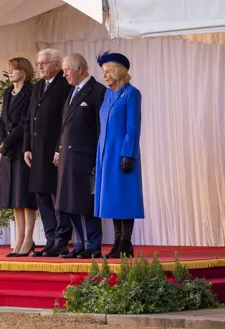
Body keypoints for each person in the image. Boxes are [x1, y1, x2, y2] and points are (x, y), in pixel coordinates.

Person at [54, 54, 107, 259]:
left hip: (86, 157)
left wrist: (98, 157)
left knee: (86, 202)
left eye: (67, 69)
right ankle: (79, 244)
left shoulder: (97, 91)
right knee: (70, 202)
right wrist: (59, 149)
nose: (64, 73)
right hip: (68, 157)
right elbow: (65, 125)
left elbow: (100, 127)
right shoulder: (72, 92)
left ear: (79, 68)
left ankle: (93, 245)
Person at [23, 48, 73, 257]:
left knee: (58, 196)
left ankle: (62, 239)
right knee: (42, 195)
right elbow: (29, 118)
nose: (40, 67)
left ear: (56, 64)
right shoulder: (37, 87)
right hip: (37, 151)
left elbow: (66, 121)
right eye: (38, 63)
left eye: (43, 63)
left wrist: (59, 148)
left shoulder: (64, 85)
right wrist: (27, 147)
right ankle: (51, 238)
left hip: (54, 151)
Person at [94, 51, 144, 259]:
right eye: (103, 72)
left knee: (125, 197)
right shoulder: (108, 95)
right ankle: (117, 242)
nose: (105, 76)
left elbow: (133, 127)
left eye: (108, 72)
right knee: (112, 199)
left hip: (122, 152)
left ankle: (126, 242)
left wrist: (127, 154)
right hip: (106, 152)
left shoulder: (132, 93)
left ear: (118, 71)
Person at [0, 57, 39, 257]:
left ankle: (28, 239)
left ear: (25, 71)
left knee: (25, 197)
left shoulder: (31, 91)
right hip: (9, 151)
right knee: (14, 198)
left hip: (23, 148)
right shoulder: (7, 93)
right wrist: (2, 142)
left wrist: (9, 142)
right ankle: (19, 239)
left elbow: (26, 122)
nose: (10, 72)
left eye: (14, 69)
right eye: (9, 69)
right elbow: (2, 120)